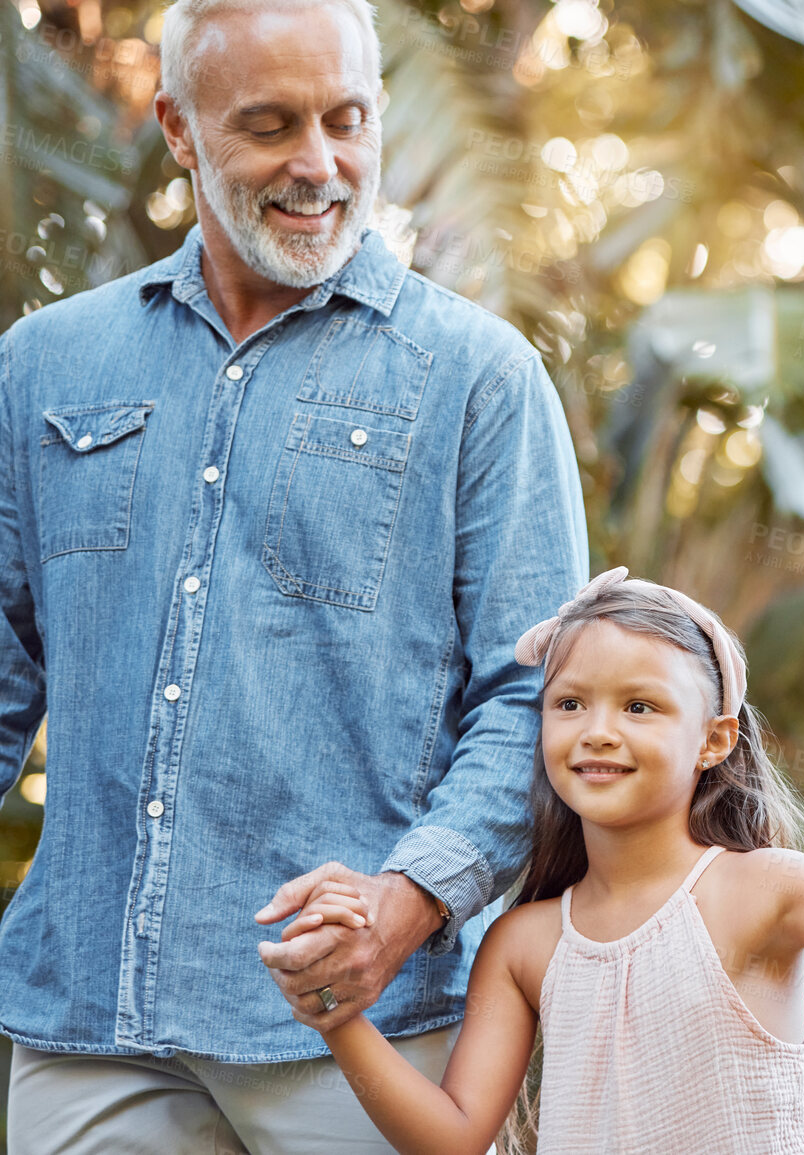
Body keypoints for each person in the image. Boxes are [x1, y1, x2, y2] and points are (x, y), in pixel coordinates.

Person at [0, 0, 587, 1150]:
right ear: (178, 127)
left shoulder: (480, 379)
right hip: (91, 1018)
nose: (316, 165)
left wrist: (404, 907)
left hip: (371, 1028)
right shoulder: (42, 367)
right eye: (267, 126)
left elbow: (536, 697)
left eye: (346, 121)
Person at [266, 567, 804, 1154]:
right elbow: (455, 1136)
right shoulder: (523, 943)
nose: (598, 729)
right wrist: (338, 1011)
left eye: (639, 704)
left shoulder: (761, 891)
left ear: (713, 739)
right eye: (570, 703)